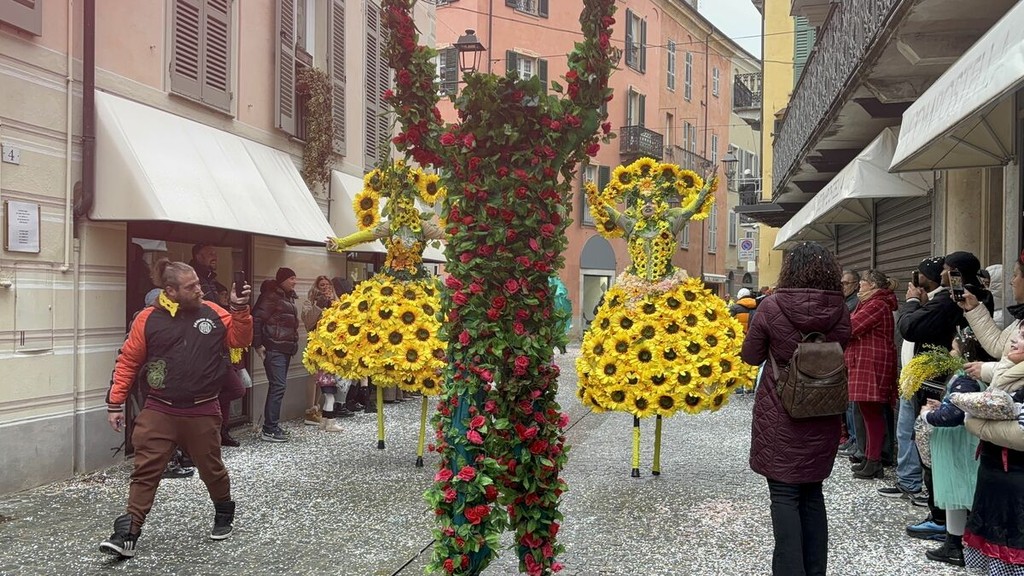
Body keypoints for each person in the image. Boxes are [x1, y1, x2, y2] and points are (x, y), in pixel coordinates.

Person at [99, 260, 252, 558]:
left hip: (202, 409)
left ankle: (223, 511)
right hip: (160, 409)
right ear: (170, 290)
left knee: (212, 470)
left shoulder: (213, 312)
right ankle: (128, 533)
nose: (199, 290)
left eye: (198, 283)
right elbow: (128, 361)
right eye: (191, 286)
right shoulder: (147, 318)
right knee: (145, 472)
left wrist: (239, 308)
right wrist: (115, 403)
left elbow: (240, 339)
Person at [741, 242, 851, 576]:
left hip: (781, 412)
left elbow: (751, 356)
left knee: (784, 495)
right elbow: (842, 346)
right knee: (813, 493)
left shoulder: (772, 306)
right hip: (824, 410)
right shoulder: (840, 308)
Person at [877, 257, 947, 508]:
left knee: (921, 434)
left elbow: (908, 327)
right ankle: (907, 481)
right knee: (905, 431)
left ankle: (923, 489)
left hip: (927, 379)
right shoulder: (929, 301)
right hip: (910, 376)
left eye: (920, 274)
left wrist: (913, 301)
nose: (915, 278)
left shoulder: (940, 303)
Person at [961, 323, 1024, 575]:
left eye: (1023, 336)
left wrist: (975, 423)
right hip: (996, 474)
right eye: (1018, 333)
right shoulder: (1008, 371)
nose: (1014, 340)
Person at [846, 270, 898, 479]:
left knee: (872, 414)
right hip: (867, 362)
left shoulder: (877, 304)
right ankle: (870, 458)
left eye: (863, 282)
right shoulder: (871, 303)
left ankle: (874, 460)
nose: (860, 285)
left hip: (871, 363)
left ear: (873, 285)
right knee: (868, 414)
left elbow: (852, 327)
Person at [253, 267, 300, 443]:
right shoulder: (271, 296)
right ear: (282, 280)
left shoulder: (287, 297)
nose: (294, 282)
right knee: (278, 386)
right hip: (275, 348)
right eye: (291, 278)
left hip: (284, 349)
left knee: (278, 387)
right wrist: (258, 345)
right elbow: (256, 319)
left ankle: (272, 426)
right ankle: (269, 429)